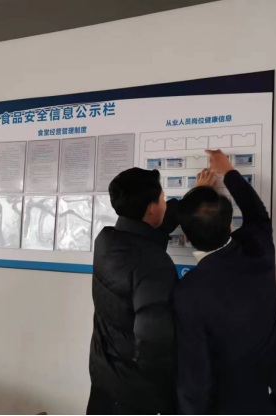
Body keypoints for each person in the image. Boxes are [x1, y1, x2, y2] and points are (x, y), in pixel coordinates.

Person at [175, 149, 276, 415]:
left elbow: (196, 371)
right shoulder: (258, 249)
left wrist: (198, 197)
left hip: (231, 404)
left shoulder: (189, 291)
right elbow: (258, 214)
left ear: (186, 239)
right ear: (230, 226)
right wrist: (227, 171)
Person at [87, 167, 181, 415]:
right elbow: (153, 344)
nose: (165, 203)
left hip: (104, 379)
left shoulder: (106, 241)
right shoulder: (153, 263)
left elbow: (149, 231)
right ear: (152, 208)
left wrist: (196, 196)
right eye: (162, 198)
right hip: (135, 396)